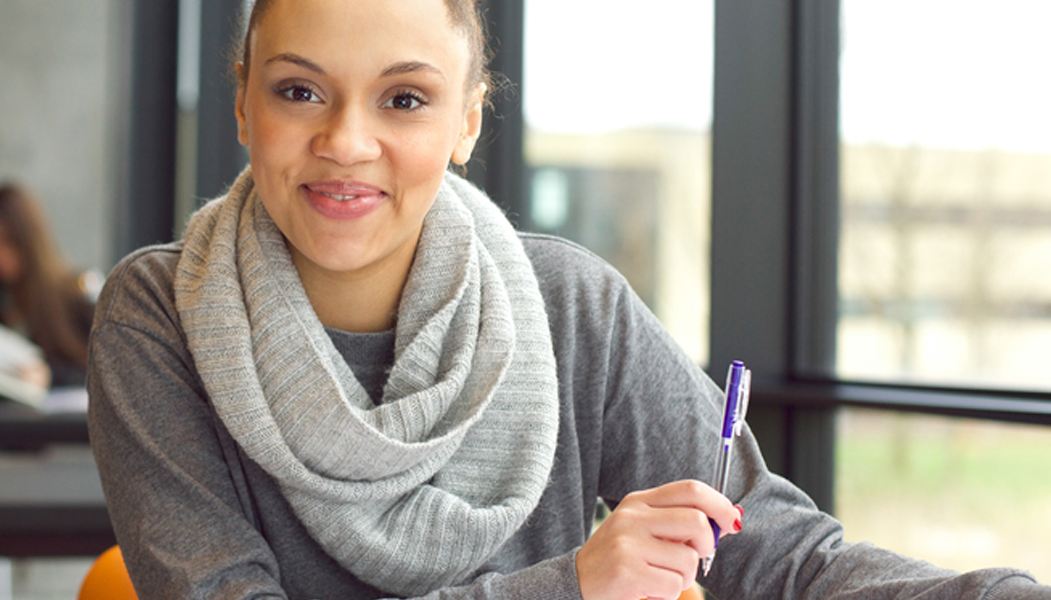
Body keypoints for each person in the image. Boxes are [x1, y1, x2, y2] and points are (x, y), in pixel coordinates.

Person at [85, 1, 1051, 599]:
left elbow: (781, 561)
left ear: (468, 121)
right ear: (244, 101)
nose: (346, 140)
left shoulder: (567, 303)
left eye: (405, 100)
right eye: (301, 92)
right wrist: (571, 587)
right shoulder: (160, 312)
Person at [0, 182, 97, 387]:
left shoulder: (75, 294)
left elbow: (105, 372)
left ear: (27, 238)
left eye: (4, 240)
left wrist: (50, 376)